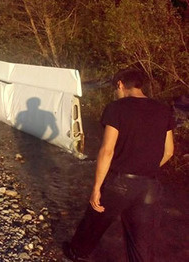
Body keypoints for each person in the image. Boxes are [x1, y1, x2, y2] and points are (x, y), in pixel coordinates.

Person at [63, 68, 175, 262]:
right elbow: (169, 151)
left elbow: (107, 150)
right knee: (140, 243)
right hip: (149, 185)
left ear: (121, 84)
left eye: (116, 88)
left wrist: (96, 187)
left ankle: (76, 253)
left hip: (119, 183)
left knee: (93, 223)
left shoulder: (116, 108)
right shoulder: (163, 110)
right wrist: (145, 167)